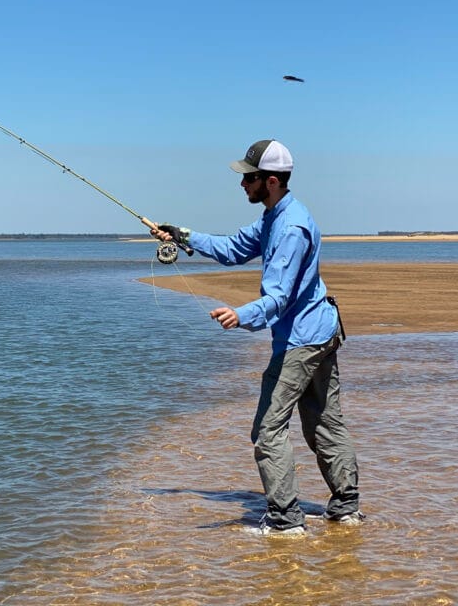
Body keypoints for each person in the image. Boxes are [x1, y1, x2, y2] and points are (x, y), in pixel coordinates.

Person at [153, 138, 362, 536]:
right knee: (323, 423)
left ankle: (286, 522)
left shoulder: (291, 227)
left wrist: (240, 315)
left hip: (303, 340)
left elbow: (279, 297)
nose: (241, 184)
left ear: (269, 181)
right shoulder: (274, 216)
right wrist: (183, 235)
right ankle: (345, 510)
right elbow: (233, 248)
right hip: (319, 331)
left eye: (248, 178)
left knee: (268, 430)